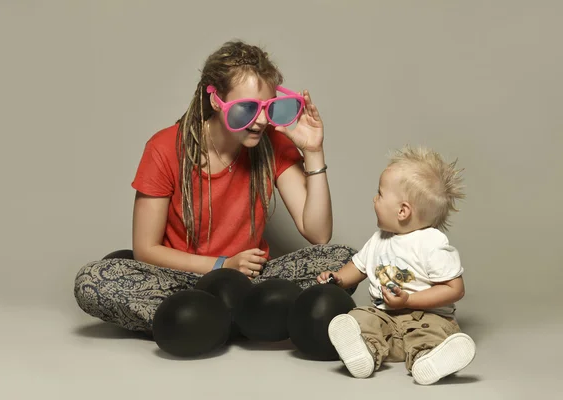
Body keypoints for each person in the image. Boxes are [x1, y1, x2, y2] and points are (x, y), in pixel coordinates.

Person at [74, 40, 358, 334]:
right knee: (92, 280)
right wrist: (223, 264)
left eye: (269, 107)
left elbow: (318, 234)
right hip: (179, 280)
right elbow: (146, 250)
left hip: (251, 281)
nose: (261, 120)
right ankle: (248, 319)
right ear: (215, 100)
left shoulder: (272, 143)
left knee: (346, 263)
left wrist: (313, 151)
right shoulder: (164, 148)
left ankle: (202, 323)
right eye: (247, 108)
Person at [317, 146, 475, 385]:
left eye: (379, 194)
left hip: (427, 317)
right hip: (387, 317)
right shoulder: (380, 239)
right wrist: (338, 278)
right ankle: (365, 352)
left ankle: (428, 359)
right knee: (362, 317)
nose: (374, 199)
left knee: (431, 332)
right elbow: (358, 267)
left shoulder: (431, 243)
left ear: (402, 211)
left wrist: (409, 301)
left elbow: (455, 289)